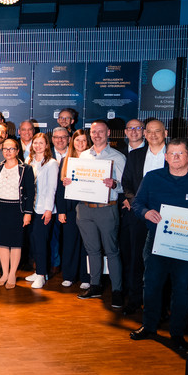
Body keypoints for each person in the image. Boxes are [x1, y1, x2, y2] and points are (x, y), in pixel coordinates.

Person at [129, 139, 188, 352]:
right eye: (172, 153)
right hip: (157, 242)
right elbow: (137, 203)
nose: (176, 157)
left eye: (180, 153)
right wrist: (146, 213)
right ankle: (149, 326)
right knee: (152, 285)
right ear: (166, 157)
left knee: (182, 288)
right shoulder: (152, 178)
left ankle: (177, 333)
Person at [68, 120, 127, 307]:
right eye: (94, 132)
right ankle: (95, 286)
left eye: (101, 132)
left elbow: (124, 185)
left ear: (108, 133)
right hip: (84, 209)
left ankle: (117, 290)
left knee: (112, 251)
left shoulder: (118, 157)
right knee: (92, 250)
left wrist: (114, 184)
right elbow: (78, 179)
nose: (97, 135)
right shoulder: (83, 155)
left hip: (106, 208)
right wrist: (70, 182)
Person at [119, 119, 168, 315]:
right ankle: (134, 300)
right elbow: (126, 183)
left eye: (158, 131)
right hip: (139, 215)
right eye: (150, 131)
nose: (153, 135)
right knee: (136, 260)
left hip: (165, 217)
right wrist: (136, 204)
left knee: (162, 263)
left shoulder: (173, 155)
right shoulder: (135, 156)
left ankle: (161, 306)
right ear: (145, 134)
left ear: (165, 133)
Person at [0, 139, 35, 289]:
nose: (8, 152)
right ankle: (4, 274)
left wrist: (28, 213)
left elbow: (30, 192)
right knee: (2, 242)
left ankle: (12, 274)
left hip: (17, 209)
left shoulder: (25, 169)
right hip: (0, 207)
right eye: (5, 149)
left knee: (15, 243)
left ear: (17, 150)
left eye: (11, 149)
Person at [56, 130, 91, 289]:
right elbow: (60, 189)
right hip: (70, 208)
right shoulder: (65, 160)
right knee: (70, 242)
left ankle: (86, 277)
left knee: (87, 243)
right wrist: (61, 211)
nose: (80, 143)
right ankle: (69, 276)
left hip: (88, 207)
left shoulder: (94, 160)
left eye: (83, 140)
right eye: (77, 140)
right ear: (72, 142)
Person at [25, 133, 59, 289]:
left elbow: (52, 188)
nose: (37, 146)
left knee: (41, 243)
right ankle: (39, 271)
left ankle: (41, 275)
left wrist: (48, 210)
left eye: (41, 143)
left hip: (44, 209)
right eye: (35, 143)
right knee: (33, 242)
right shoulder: (29, 160)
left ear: (46, 145)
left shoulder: (52, 163)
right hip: (30, 208)